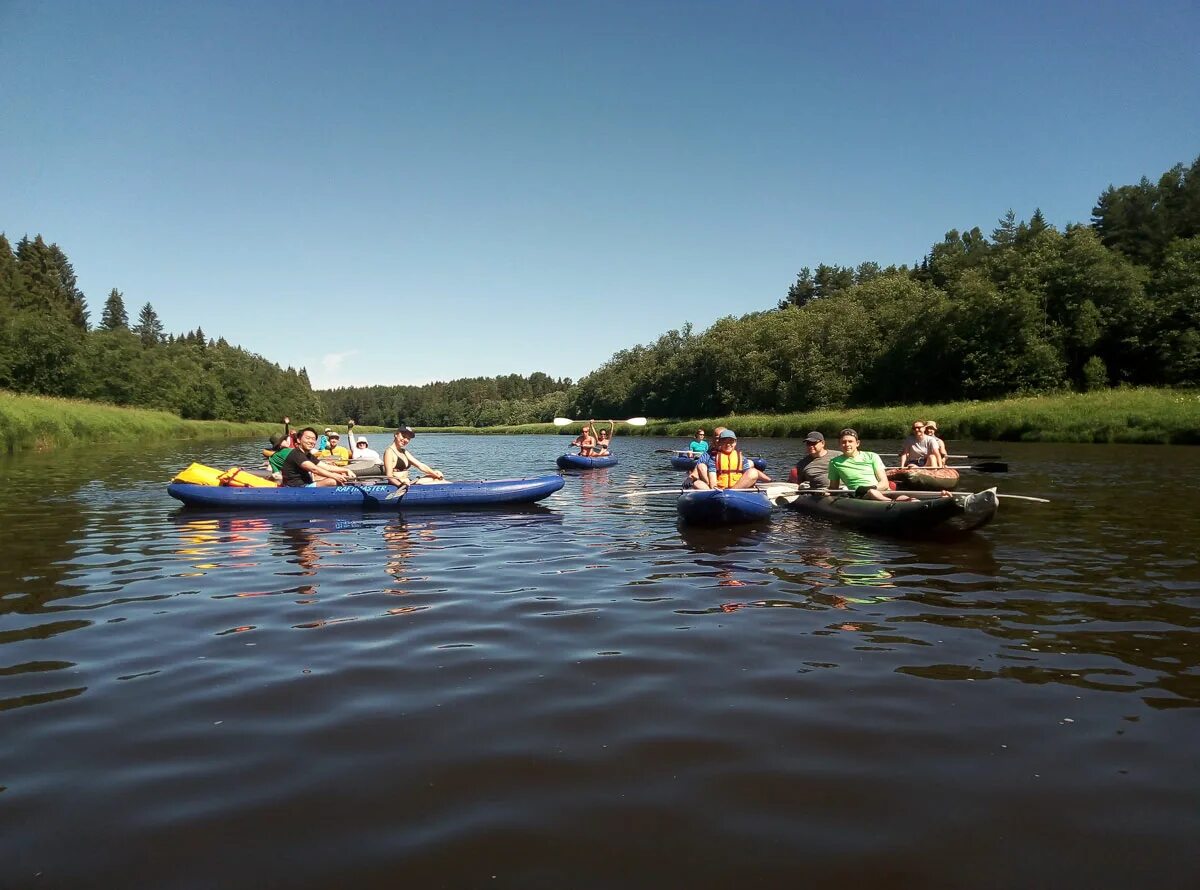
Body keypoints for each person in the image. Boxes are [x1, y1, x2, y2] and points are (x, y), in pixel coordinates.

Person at [827, 428, 911, 501]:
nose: (847, 445)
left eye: (850, 441)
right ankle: (891, 504)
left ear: (857, 443)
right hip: (861, 495)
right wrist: (825, 493)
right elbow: (834, 487)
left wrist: (871, 488)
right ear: (839, 444)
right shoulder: (834, 462)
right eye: (843, 442)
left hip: (881, 489)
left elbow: (884, 483)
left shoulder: (872, 456)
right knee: (872, 493)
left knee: (899, 496)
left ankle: (914, 502)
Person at [692, 429, 771, 490]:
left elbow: (747, 474)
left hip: (737, 489)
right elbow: (712, 475)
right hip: (719, 489)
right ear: (719, 443)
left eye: (731, 441)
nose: (728, 444)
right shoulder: (714, 458)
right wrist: (714, 486)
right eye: (724, 441)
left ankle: (732, 492)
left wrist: (752, 484)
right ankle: (714, 496)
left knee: (753, 472)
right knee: (697, 483)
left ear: (735, 443)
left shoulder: (742, 458)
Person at [280, 427, 354, 488]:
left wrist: (346, 470)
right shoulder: (297, 454)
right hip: (296, 488)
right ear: (299, 440)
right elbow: (314, 469)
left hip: (306, 485)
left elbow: (327, 467)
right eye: (308, 438)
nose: (311, 441)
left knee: (337, 477)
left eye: (313, 439)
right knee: (333, 481)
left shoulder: (308, 455)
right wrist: (335, 476)